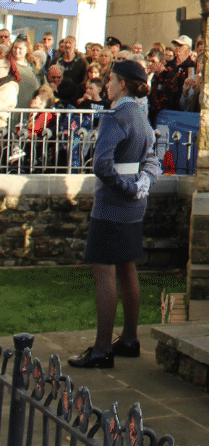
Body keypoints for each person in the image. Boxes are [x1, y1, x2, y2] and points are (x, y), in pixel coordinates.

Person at [68, 60, 160, 369]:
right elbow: (152, 160)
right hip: (134, 204)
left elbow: (101, 165)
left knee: (104, 273)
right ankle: (130, 340)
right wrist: (142, 184)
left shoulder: (115, 116)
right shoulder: (141, 116)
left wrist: (125, 188)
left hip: (111, 204)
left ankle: (102, 349)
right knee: (127, 268)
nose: (105, 84)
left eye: (110, 79)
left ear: (122, 84)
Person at [11, 38, 40, 110]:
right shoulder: (7, 65)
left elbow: (44, 87)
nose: (17, 51)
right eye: (15, 48)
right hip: (12, 110)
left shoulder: (33, 66)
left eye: (20, 48)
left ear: (27, 50)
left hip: (29, 112)